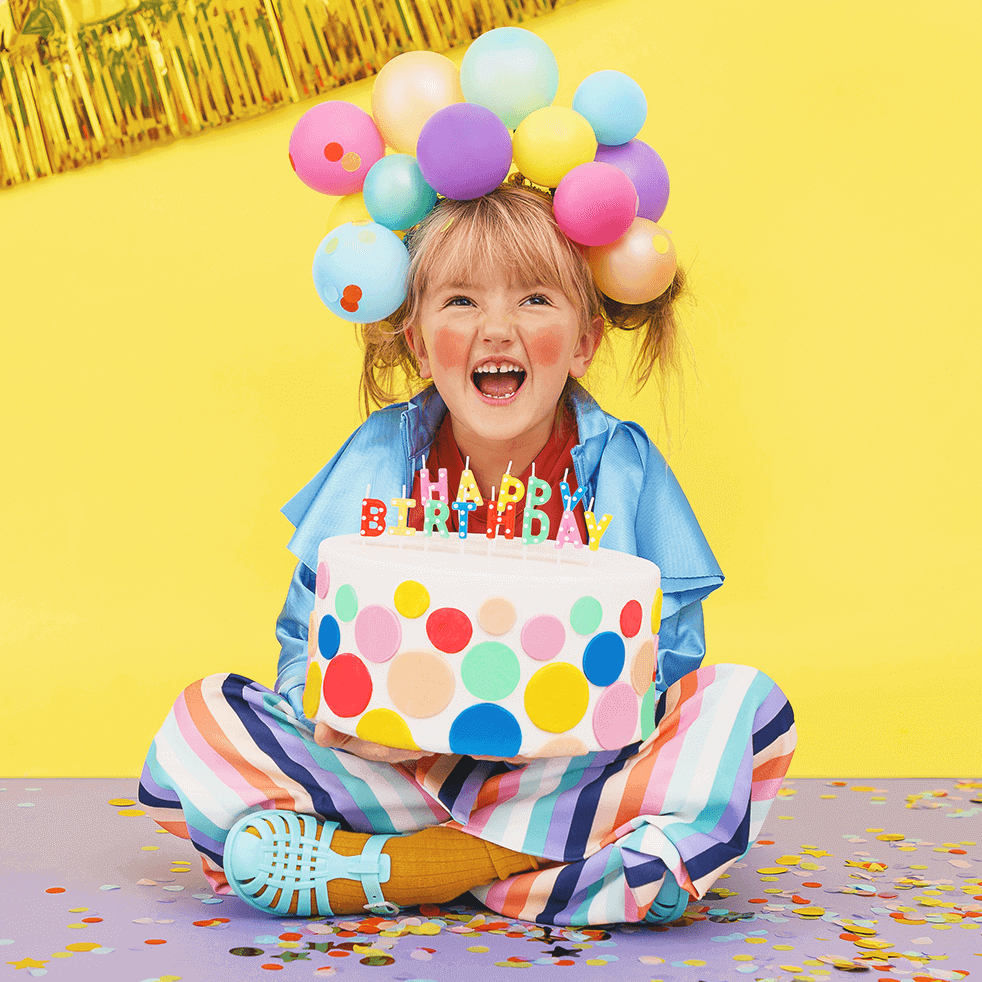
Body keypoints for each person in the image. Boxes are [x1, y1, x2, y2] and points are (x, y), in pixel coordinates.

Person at [138, 178, 796, 926]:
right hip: (392, 778)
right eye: (461, 301)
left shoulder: (623, 465)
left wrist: (564, 741)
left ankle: (413, 870)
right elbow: (305, 634)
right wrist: (335, 718)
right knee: (198, 725)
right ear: (417, 342)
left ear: (584, 341)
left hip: (568, 772)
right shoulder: (380, 457)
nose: (497, 329)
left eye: (536, 299)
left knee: (744, 711)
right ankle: (554, 872)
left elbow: (669, 655)